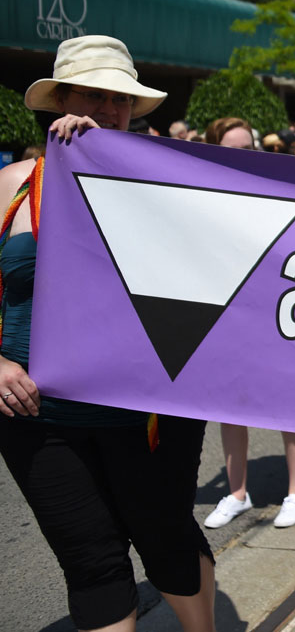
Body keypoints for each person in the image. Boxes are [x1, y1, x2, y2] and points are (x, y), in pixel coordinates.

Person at [0, 35, 216, 632]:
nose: (109, 111)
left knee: (166, 537)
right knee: (90, 562)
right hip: (38, 418)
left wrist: (96, 168)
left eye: (120, 100)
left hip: (144, 411)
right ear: (59, 100)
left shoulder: (161, 184)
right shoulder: (10, 184)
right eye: (93, 95)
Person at [201, 117, 295, 530]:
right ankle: (236, 493)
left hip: (273, 305)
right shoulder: (204, 195)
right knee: (230, 403)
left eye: (248, 146)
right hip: (229, 309)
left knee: (287, 399)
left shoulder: (276, 187)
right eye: (233, 148)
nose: (243, 155)